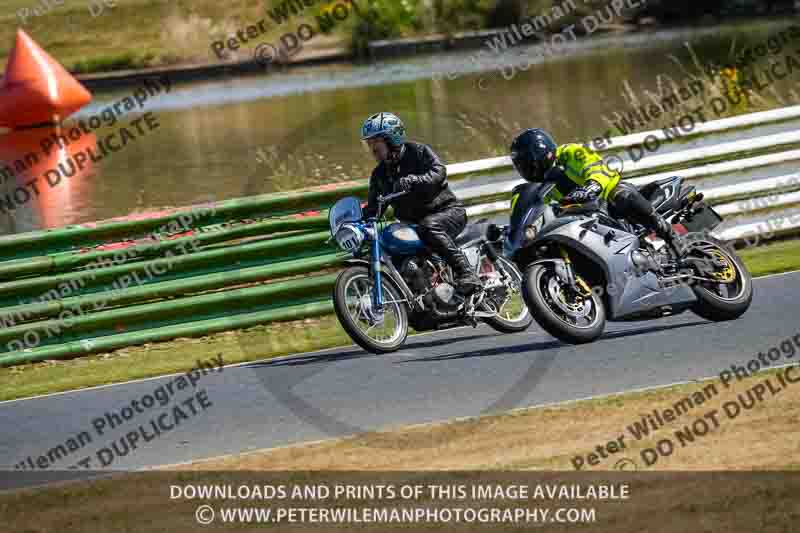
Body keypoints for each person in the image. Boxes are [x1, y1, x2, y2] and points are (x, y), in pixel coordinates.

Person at [361, 112, 481, 296]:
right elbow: (374, 206)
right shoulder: (379, 175)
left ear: (391, 138)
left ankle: (467, 273)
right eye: (369, 143)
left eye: (375, 142)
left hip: (447, 212)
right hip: (413, 227)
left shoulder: (418, 152)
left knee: (429, 226)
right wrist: (358, 222)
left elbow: (439, 171)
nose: (372, 149)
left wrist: (415, 180)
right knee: (391, 241)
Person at [508, 128, 677, 250]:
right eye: (521, 166)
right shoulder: (541, 187)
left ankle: (666, 231)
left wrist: (591, 186)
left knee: (620, 195)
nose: (525, 169)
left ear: (539, 152)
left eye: (527, 162)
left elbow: (596, 168)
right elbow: (536, 209)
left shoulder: (569, 153)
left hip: (606, 197)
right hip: (582, 217)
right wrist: (518, 229)